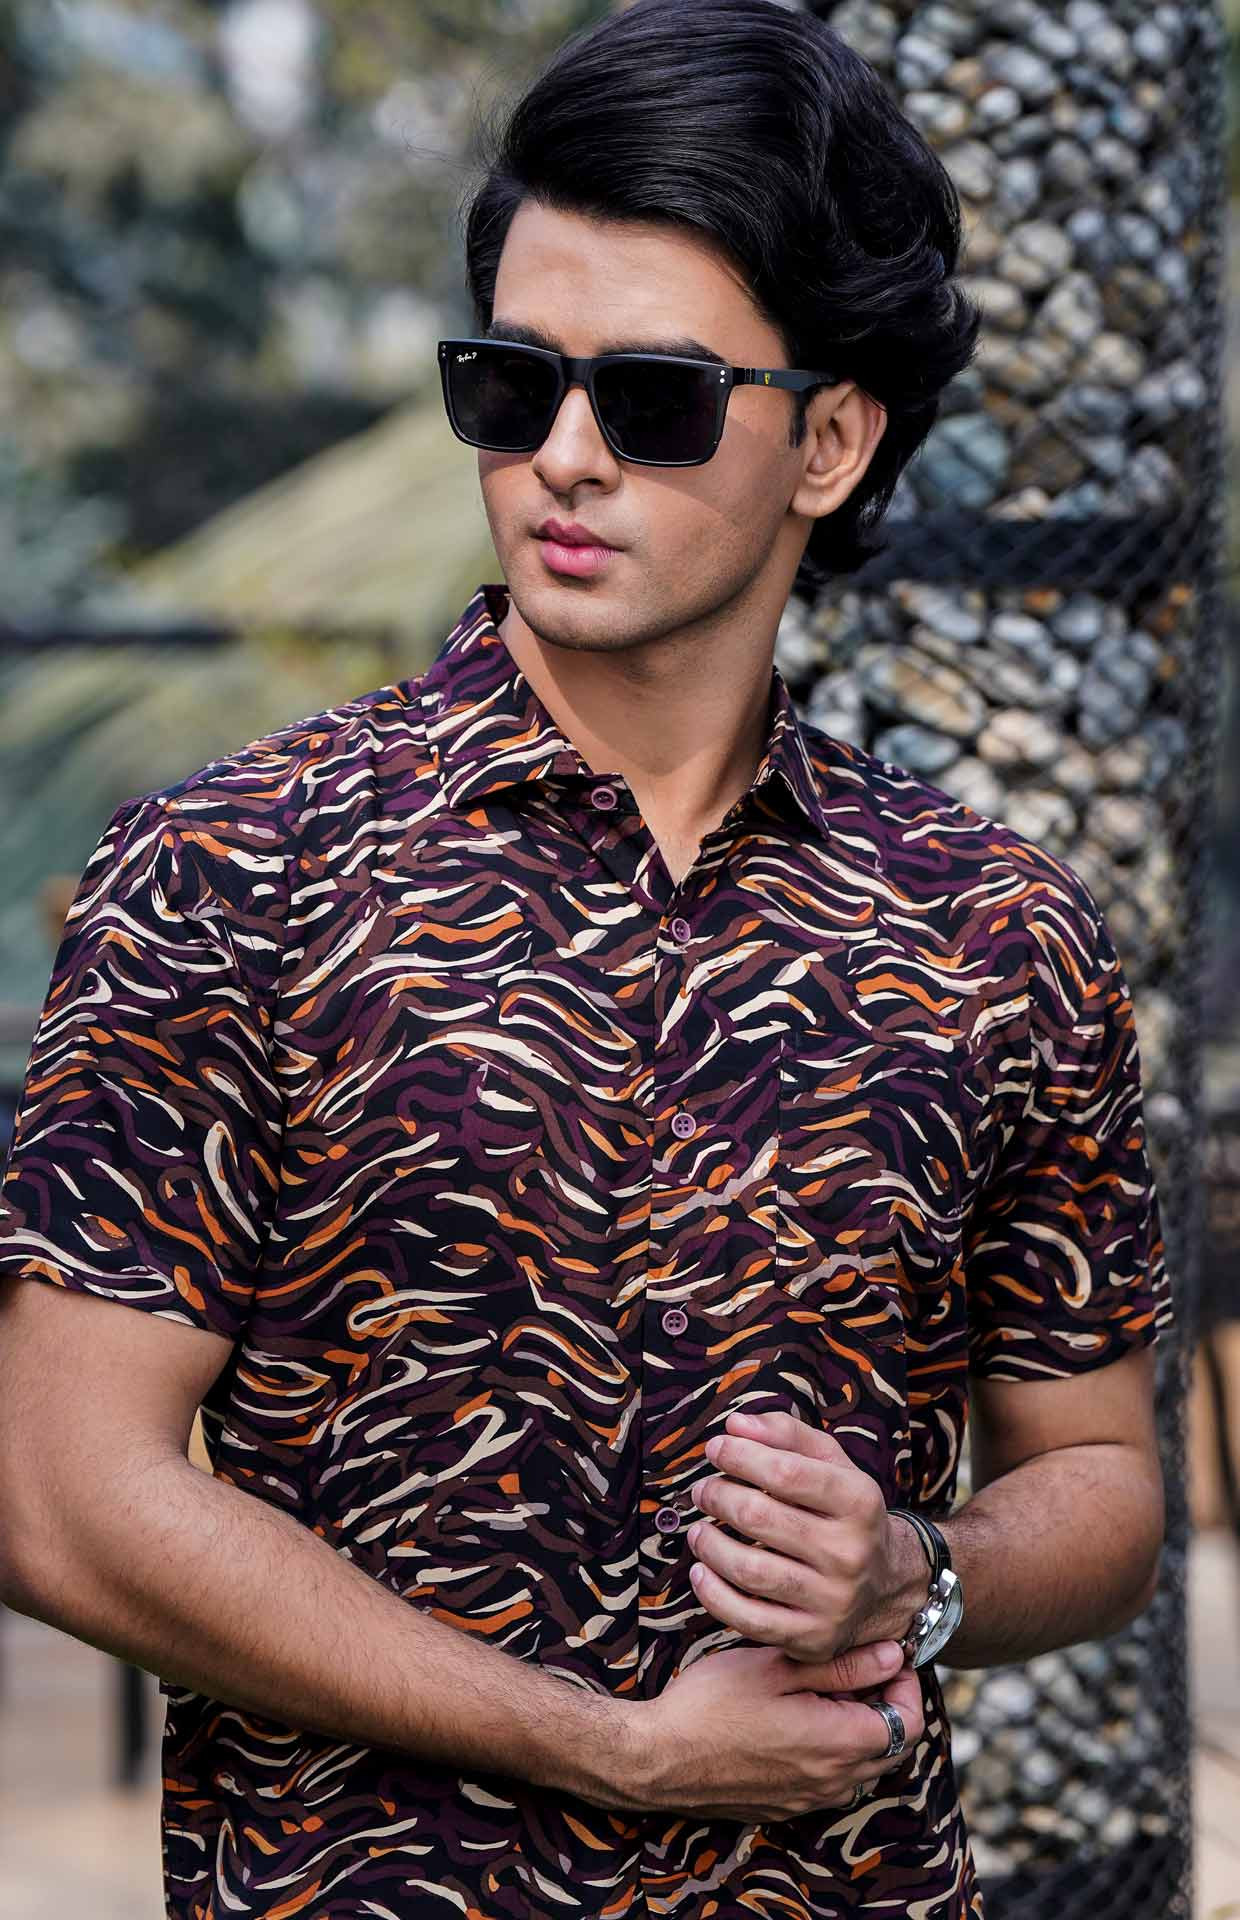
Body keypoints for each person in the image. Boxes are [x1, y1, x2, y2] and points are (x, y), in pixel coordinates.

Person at [0, 2, 1171, 1915]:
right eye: (509, 382)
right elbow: (54, 1494)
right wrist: (609, 1747)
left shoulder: (997, 929)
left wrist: (920, 1574)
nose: (561, 455)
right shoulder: (235, 868)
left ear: (831, 440)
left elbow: (1105, 1481)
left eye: (654, 399)